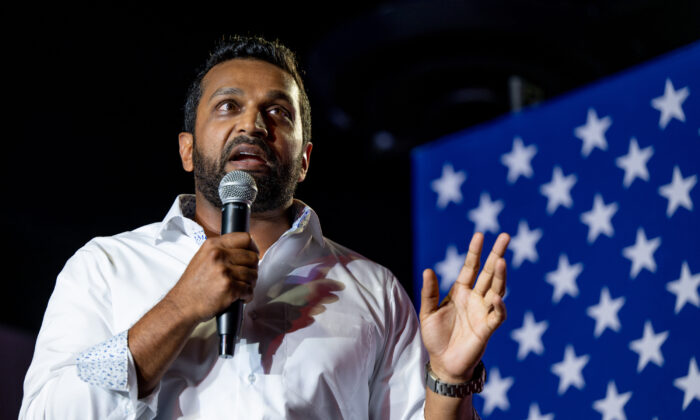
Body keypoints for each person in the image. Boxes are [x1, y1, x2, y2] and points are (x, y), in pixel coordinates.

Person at [20, 35, 510, 419]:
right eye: (228, 106)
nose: (253, 124)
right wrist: (180, 307)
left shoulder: (372, 290)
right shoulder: (105, 266)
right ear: (187, 149)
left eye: (278, 112)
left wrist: (446, 378)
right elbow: (49, 413)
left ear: (304, 160)